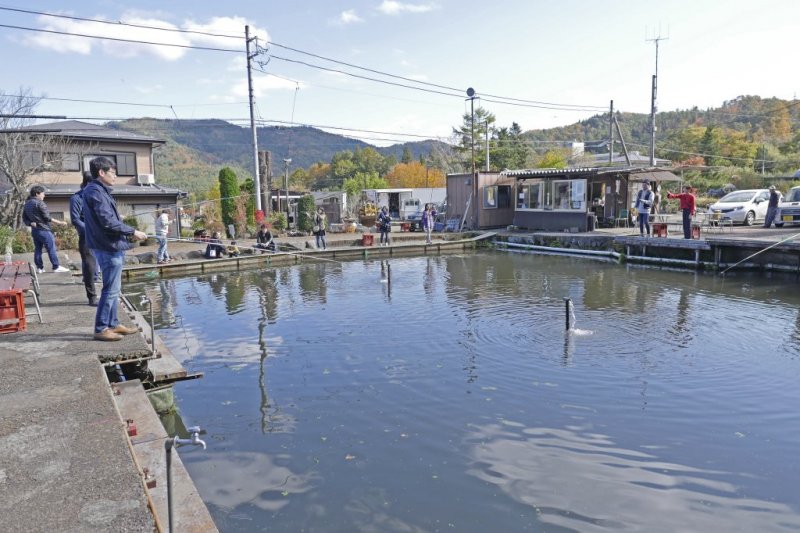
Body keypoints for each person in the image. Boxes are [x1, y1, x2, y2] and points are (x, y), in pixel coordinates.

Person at [83, 156, 147, 341]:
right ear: (101, 172)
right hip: (107, 246)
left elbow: (108, 218)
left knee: (114, 288)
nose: (115, 176)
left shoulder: (98, 190)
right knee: (110, 289)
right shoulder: (95, 191)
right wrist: (133, 231)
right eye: (112, 172)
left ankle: (113, 323)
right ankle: (101, 328)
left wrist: (122, 223)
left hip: (108, 244)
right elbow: (107, 222)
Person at [22, 185, 70, 273]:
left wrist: (30, 223)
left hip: (35, 231)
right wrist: (60, 222)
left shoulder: (27, 204)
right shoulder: (40, 203)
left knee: (38, 249)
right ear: (37, 194)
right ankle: (56, 266)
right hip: (44, 230)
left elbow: (24, 219)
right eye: (43, 194)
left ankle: (39, 268)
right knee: (51, 248)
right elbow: (47, 218)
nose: (44, 195)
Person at [70, 171, 99, 305]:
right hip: (87, 236)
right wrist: (89, 230)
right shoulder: (76, 198)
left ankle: (100, 286)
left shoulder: (97, 195)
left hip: (100, 235)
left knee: (98, 263)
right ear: (88, 183)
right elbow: (75, 219)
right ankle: (92, 297)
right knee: (89, 265)